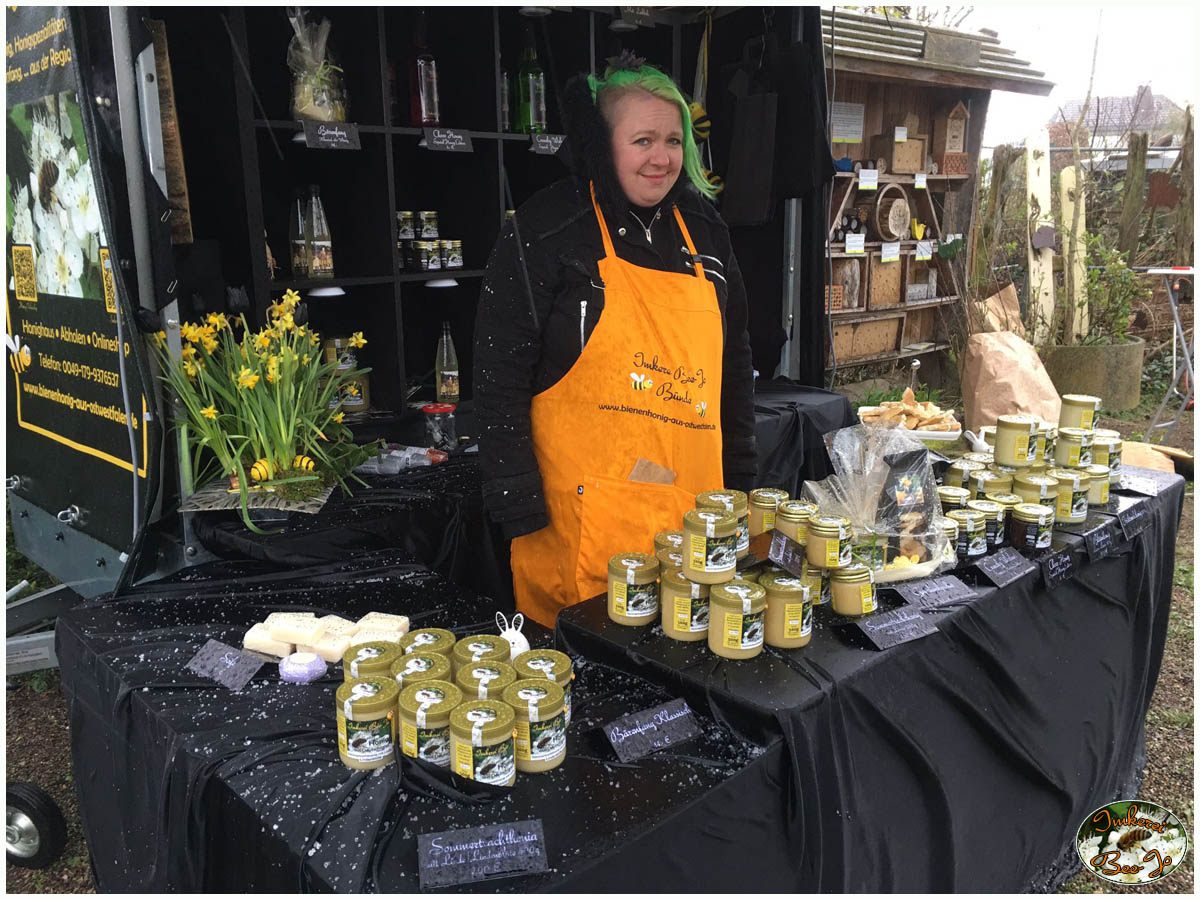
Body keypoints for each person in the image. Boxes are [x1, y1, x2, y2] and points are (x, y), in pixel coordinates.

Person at [473, 58, 757, 628]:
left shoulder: (706, 230)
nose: (662, 158)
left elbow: (735, 361)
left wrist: (742, 479)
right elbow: (498, 372)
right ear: (602, 144)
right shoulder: (548, 228)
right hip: (577, 518)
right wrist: (514, 499)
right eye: (643, 139)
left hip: (694, 515)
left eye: (674, 140)